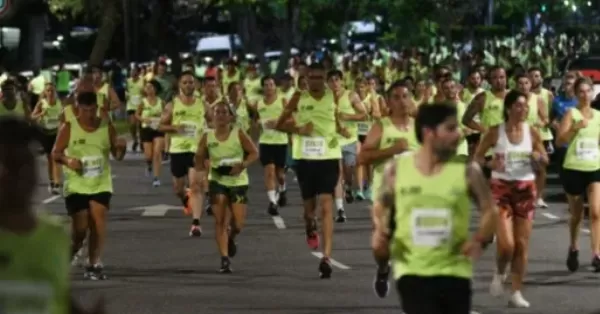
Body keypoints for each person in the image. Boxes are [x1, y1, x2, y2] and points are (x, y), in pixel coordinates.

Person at [371, 103, 498, 314]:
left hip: (455, 269)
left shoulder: (467, 171)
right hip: (414, 269)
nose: (458, 134)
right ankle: (383, 271)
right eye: (450, 129)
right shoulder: (398, 170)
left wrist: (480, 240)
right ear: (429, 133)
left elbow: (489, 210)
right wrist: (380, 231)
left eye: (457, 128)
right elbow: (380, 205)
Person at [275, 62, 351, 278]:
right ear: (306, 78)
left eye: (320, 77)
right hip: (306, 160)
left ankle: (326, 258)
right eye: (312, 77)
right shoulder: (299, 97)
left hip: (329, 157)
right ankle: (310, 227)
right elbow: (280, 124)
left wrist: (341, 129)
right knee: (310, 212)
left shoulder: (332, 96)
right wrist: (298, 129)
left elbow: (333, 118)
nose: (316, 81)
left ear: (325, 79)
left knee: (327, 207)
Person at [474, 90, 548, 308]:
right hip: (501, 190)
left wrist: (538, 157)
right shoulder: (495, 132)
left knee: (522, 245)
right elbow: (478, 157)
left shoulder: (532, 132)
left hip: (525, 189)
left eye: (526, 106)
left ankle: (516, 292)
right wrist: (489, 164)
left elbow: (545, 159)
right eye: (519, 106)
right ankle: (499, 272)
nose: (523, 110)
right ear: (508, 108)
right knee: (506, 245)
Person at [52, 90, 127, 280]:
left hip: (100, 182)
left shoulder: (106, 126)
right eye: (85, 110)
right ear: (78, 108)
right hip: (76, 184)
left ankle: (94, 263)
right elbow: (56, 153)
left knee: (98, 219)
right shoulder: (69, 127)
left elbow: (117, 156)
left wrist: (121, 148)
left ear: (97, 108)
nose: (89, 115)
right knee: (80, 228)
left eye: (92, 110)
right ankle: (70, 253)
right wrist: (69, 161)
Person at [0, 116, 70, 314]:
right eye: (11, 164)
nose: (22, 175)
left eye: (28, 163)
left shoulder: (55, 235)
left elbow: (54, 296)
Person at [358, 80, 419, 298]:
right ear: (389, 102)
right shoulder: (381, 126)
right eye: (397, 97)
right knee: (381, 246)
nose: (402, 101)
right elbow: (363, 156)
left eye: (405, 96)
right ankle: (383, 269)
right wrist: (392, 150)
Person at [195, 101, 258, 273]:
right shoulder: (207, 137)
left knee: (237, 224)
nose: (221, 115)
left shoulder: (238, 133)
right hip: (217, 181)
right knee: (220, 220)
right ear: (212, 116)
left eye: (224, 112)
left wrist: (242, 165)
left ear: (231, 116)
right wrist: (202, 171)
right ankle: (224, 259)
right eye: (217, 112)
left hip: (238, 182)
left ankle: (232, 237)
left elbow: (254, 153)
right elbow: (199, 158)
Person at [555, 77, 600, 272]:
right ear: (575, 93)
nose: (584, 95)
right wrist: (574, 128)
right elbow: (559, 141)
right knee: (577, 214)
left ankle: (597, 254)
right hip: (573, 168)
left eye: (587, 91)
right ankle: (573, 247)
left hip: (594, 167)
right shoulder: (570, 114)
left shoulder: (599, 116)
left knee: (597, 212)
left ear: (593, 93)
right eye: (580, 91)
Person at [159, 71, 207, 236]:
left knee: (196, 186)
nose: (188, 85)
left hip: (196, 151)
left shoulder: (202, 104)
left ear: (196, 85)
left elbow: (214, 123)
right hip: (178, 150)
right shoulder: (172, 105)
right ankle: (185, 198)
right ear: (180, 85)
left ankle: (196, 224)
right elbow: (160, 126)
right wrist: (174, 128)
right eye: (185, 82)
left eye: (191, 82)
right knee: (178, 189)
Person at [31, 82, 63, 195]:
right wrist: (41, 115)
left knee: (56, 158)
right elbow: (32, 117)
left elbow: (64, 118)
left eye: (52, 91)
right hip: (45, 134)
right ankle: (51, 181)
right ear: (45, 92)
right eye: (48, 90)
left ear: (55, 92)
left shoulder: (59, 104)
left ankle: (57, 184)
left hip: (56, 134)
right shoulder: (41, 103)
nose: (50, 93)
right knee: (50, 159)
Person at [136, 79, 165, 187]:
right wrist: (143, 119)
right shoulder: (143, 102)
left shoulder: (161, 102)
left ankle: (156, 177)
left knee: (157, 152)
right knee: (149, 155)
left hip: (158, 129)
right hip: (146, 129)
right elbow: (137, 115)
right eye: (147, 87)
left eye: (151, 87)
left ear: (155, 89)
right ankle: (149, 165)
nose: (148, 89)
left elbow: (166, 115)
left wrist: (161, 118)